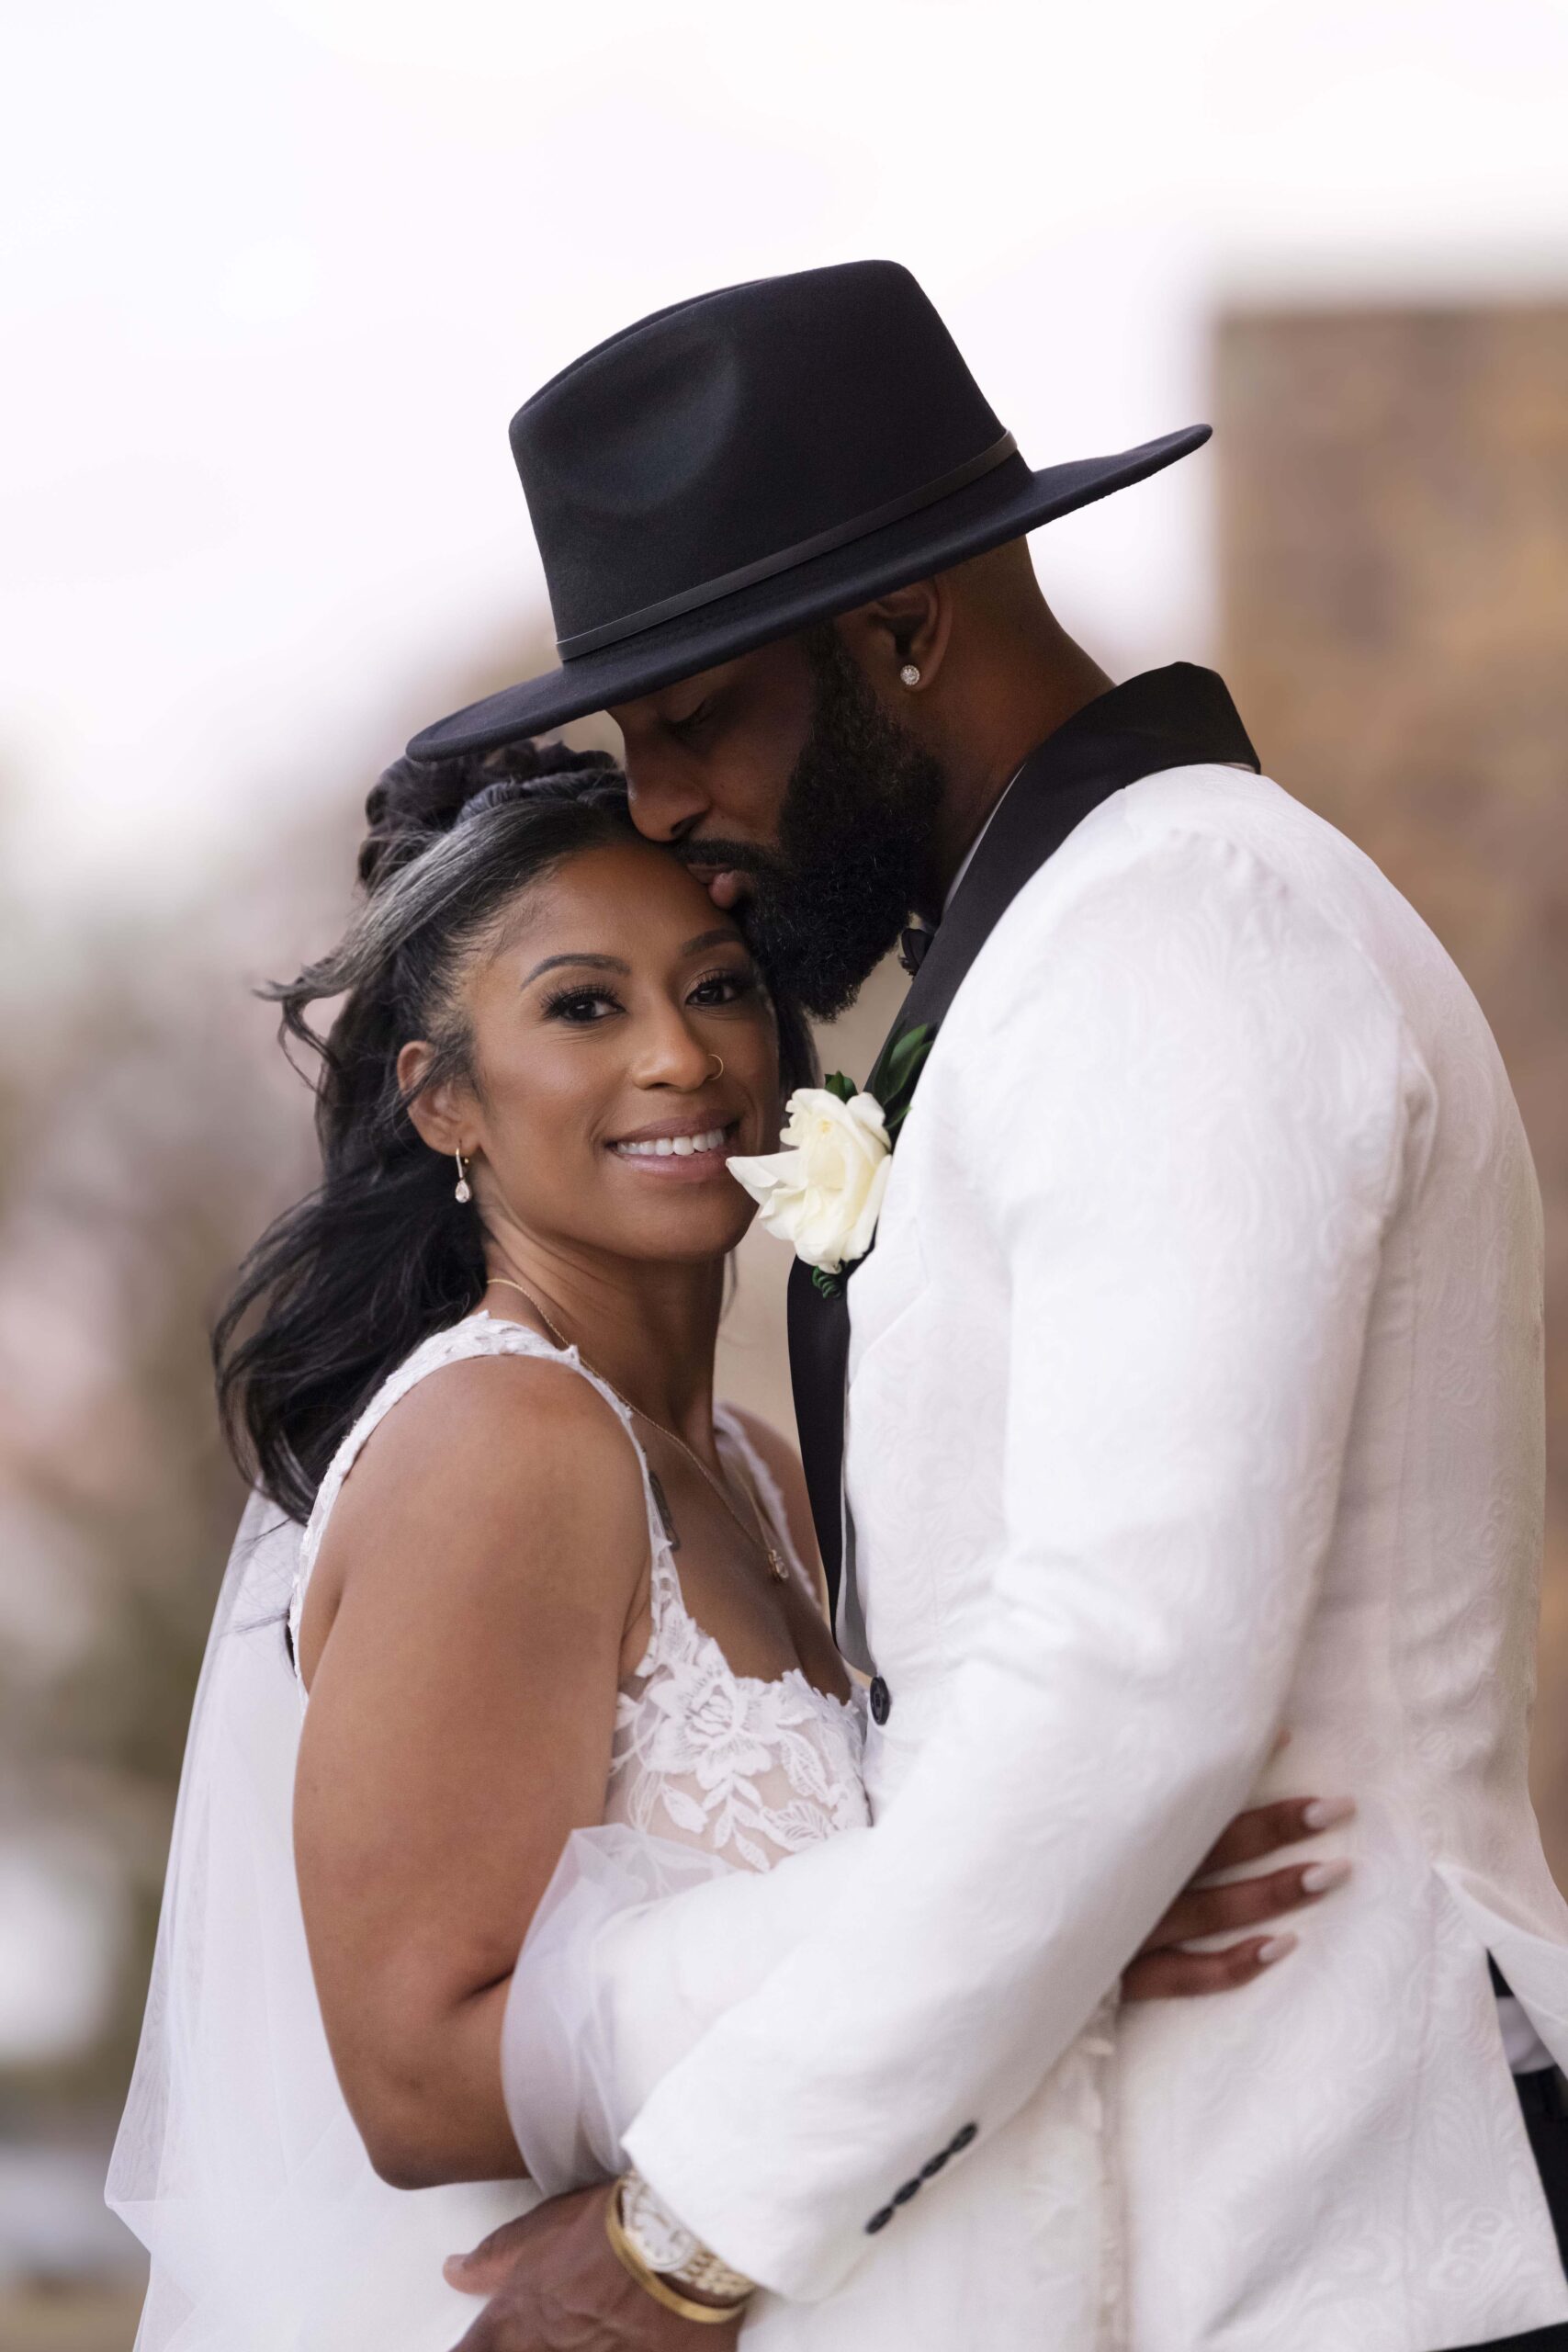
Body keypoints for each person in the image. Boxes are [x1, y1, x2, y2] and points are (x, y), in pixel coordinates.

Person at [407, 261, 1568, 2351]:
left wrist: (688, 2231)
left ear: (905, 631)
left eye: (694, 721)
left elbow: (1125, 1663)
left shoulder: (1177, 929)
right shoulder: (1076, 939)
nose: (662, 806)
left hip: (1331, 2226)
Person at [105, 740, 1331, 2351]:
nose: (684, 1058)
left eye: (723, 987)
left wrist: (1046, 1919)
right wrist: (1031, 1913)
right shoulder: (501, 1448)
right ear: (444, 1100)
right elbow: (413, 2083)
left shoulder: (749, 1463)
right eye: (585, 1006)